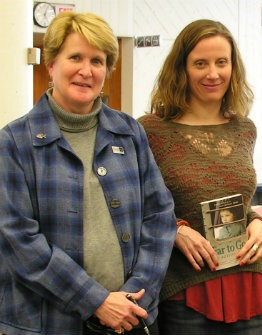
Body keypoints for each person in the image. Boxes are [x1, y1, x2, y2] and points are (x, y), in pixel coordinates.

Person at [0, 12, 177, 335]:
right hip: (46, 323)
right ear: (51, 64)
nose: (86, 70)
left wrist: (135, 295)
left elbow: (160, 216)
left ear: (107, 71)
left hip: (129, 317)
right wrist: (96, 301)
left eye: (97, 60)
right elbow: (18, 240)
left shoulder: (129, 133)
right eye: (75, 57)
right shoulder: (14, 142)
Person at [138, 19, 262, 335]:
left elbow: (236, 201)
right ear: (182, 69)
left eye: (221, 62)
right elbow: (135, 208)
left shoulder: (244, 129)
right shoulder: (151, 130)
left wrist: (257, 223)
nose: (213, 73)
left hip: (246, 283)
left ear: (233, 68)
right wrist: (175, 230)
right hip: (186, 288)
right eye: (200, 63)